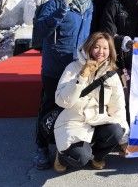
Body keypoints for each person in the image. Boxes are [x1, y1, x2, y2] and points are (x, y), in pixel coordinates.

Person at [33, 0, 94, 170]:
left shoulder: (89, 4)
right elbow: (40, 30)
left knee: (72, 105)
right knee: (49, 105)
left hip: (77, 66)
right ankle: (41, 147)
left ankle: (63, 143)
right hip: (56, 66)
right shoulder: (55, 3)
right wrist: (59, 14)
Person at [53, 32, 129, 173]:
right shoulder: (72, 68)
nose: (100, 52)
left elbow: (118, 109)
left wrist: (124, 140)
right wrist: (82, 76)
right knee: (80, 158)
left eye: (105, 48)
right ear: (88, 47)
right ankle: (62, 156)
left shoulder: (112, 75)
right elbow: (62, 101)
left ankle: (97, 156)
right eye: (96, 47)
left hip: (97, 120)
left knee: (116, 131)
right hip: (74, 120)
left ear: (110, 51)